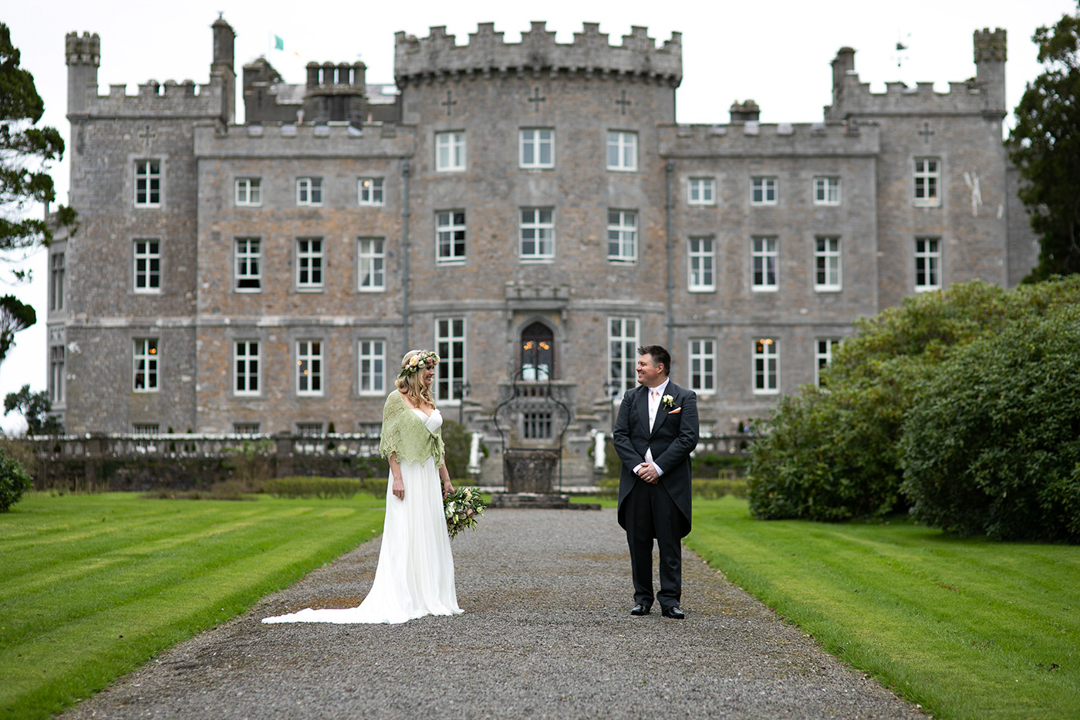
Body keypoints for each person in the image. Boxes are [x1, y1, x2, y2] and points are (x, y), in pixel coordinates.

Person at [263, 350, 462, 625]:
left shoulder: (428, 399)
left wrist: (446, 479)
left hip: (428, 476)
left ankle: (431, 595)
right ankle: (407, 597)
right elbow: (390, 442)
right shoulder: (395, 400)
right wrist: (397, 477)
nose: (432, 373)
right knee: (406, 532)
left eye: (432, 369)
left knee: (427, 530)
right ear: (414, 371)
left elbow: (437, 446)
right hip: (407, 475)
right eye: (427, 369)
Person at [612, 345, 699, 619]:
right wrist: (639, 467)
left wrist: (658, 468)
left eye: (643, 364)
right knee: (638, 543)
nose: (637, 368)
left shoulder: (684, 397)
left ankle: (670, 601)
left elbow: (688, 437)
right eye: (638, 364)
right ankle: (642, 599)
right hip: (636, 482)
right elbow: (620, 435)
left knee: (669, 543)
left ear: (659, 368)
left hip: (669, 483)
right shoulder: (630, 397)